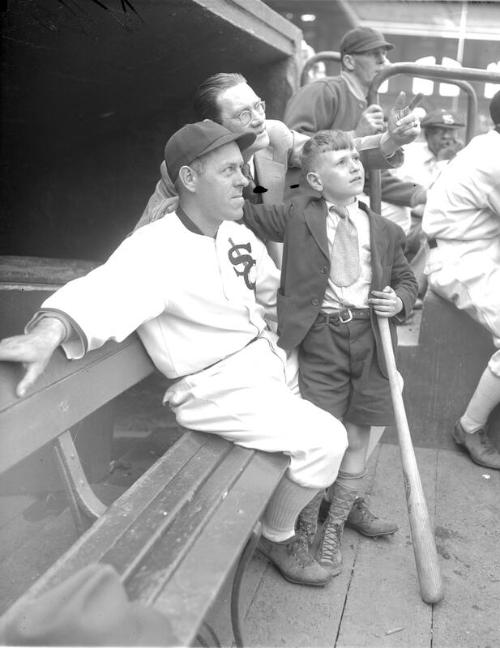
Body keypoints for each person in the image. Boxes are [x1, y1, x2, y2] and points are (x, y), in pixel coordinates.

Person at [0, 120, 349, 588]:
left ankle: (321, 496)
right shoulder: (154, 248)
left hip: (262, 362)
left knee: (336, 390)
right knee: (327, 439)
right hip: (215, 385)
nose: (244, 180)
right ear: (189, 179)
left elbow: (272, 297)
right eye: (228, 171)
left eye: (241, 169)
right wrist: (46, 333)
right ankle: (278, 534)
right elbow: (99, 292)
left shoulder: (236, 233)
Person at [242, 130, 418, 576]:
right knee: (320, 433)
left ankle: (333, 526)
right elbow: (250, 213)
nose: (355, 166)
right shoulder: (298, 215)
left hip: (371, 340)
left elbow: (406, 280)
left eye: (355, 159)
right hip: (321, 338)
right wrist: (249, 167)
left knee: (357, 436)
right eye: (341, 162)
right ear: (317, 182)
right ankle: (301, 526)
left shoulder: (385, 229)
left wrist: (399, 301)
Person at [135, 71, 422, 268]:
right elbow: (142, 236)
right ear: (214, 127)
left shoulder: (275, 136)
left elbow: (328, 152)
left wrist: (389, 140)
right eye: (243, 114)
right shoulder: (188, 167)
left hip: (269, 267)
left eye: (258, 106)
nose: (259, 119)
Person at [422, 90, 500, 470]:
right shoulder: (494, 157)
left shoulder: (491, 143)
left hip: (480, 251)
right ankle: (470, 426)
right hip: (460, 260)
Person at [283, 26, 427, 214]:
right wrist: (355, 135)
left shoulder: (371, 104)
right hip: (305, 199)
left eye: (383, 54)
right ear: (349, 61)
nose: (383, 60)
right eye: (374, 54)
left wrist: (419, 193)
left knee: (401, 213)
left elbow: (372, 176)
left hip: (339, 198)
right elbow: (291, 147)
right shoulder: (322, 90)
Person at [394, 108, 465, 298]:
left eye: (452, 131)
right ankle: (410, 293)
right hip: (412, 221)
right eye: (441, 131)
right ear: (427, 133)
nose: (447, 137)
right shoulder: (410, 156)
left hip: (442, 222)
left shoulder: (463, 157)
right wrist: (443, 162)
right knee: (435, 236)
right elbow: (430, 199)